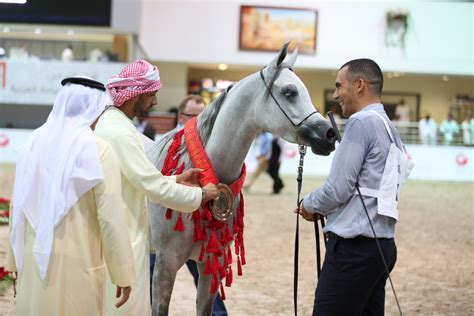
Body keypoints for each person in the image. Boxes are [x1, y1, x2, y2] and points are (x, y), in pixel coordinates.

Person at [94, 60, 219, 315]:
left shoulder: (116, 124)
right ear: (136, 94)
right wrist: (200, 195)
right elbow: (150, 185)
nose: (154, 102)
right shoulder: (120, 133)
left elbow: (140, 176)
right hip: (122, 232)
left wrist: (177, 179)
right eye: (151, 95)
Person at [7, 76, 135, 315]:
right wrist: (123, 273)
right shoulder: (98, 148)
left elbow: (18, 208)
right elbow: (111, 217)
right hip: (78, 263)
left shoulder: (32, 142)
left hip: (32, 262)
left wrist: (14, 261)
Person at [297, 59, 411, 315]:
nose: (336, 94)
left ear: (359, 85)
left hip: (355, 249)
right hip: (382, 245)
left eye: (339, 86)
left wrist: (308, 203)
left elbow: (338, 189)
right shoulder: (389, 127)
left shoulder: (361, 123)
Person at [150, 94, 228, 315]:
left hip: (200, 224)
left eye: (202, 115)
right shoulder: (165, 144)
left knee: (209, 275)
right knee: (154, 282)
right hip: (168, 226)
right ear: (180, 116)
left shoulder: (210, 150)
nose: (197, 120)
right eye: (191, 115)